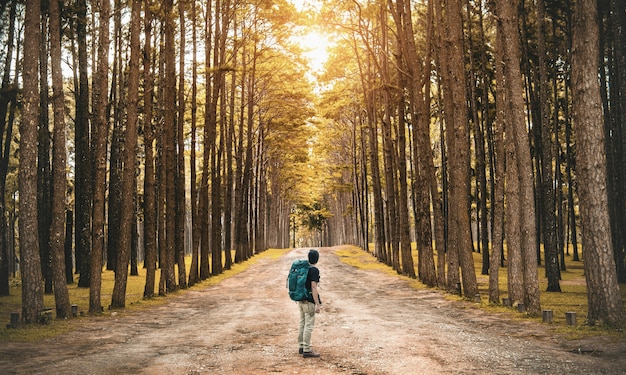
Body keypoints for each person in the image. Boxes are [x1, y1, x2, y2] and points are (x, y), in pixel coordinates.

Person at [298, 249, 322, 358]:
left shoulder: (303, 269)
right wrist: (317, 303)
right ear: (317, 259)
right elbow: (313, 287)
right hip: (309, 301)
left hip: (301, 299)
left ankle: (302, 346)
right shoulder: (314, 271)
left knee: (302, 323)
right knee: (309, 324)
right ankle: (307, 350)